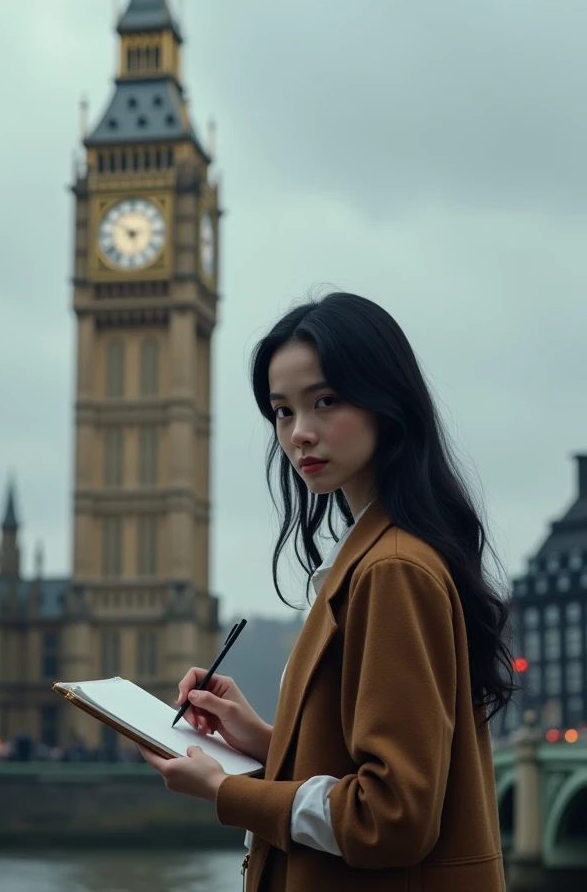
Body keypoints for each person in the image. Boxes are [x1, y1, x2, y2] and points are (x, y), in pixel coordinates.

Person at [139, 292, 513, 891]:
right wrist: (263, 738)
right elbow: (355, 765)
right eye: (283, 411)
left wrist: (227, 791)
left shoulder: (392, 569)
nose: (300, 434)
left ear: (386, 402)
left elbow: (391, 817)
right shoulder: (373, 555)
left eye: (325, 401)